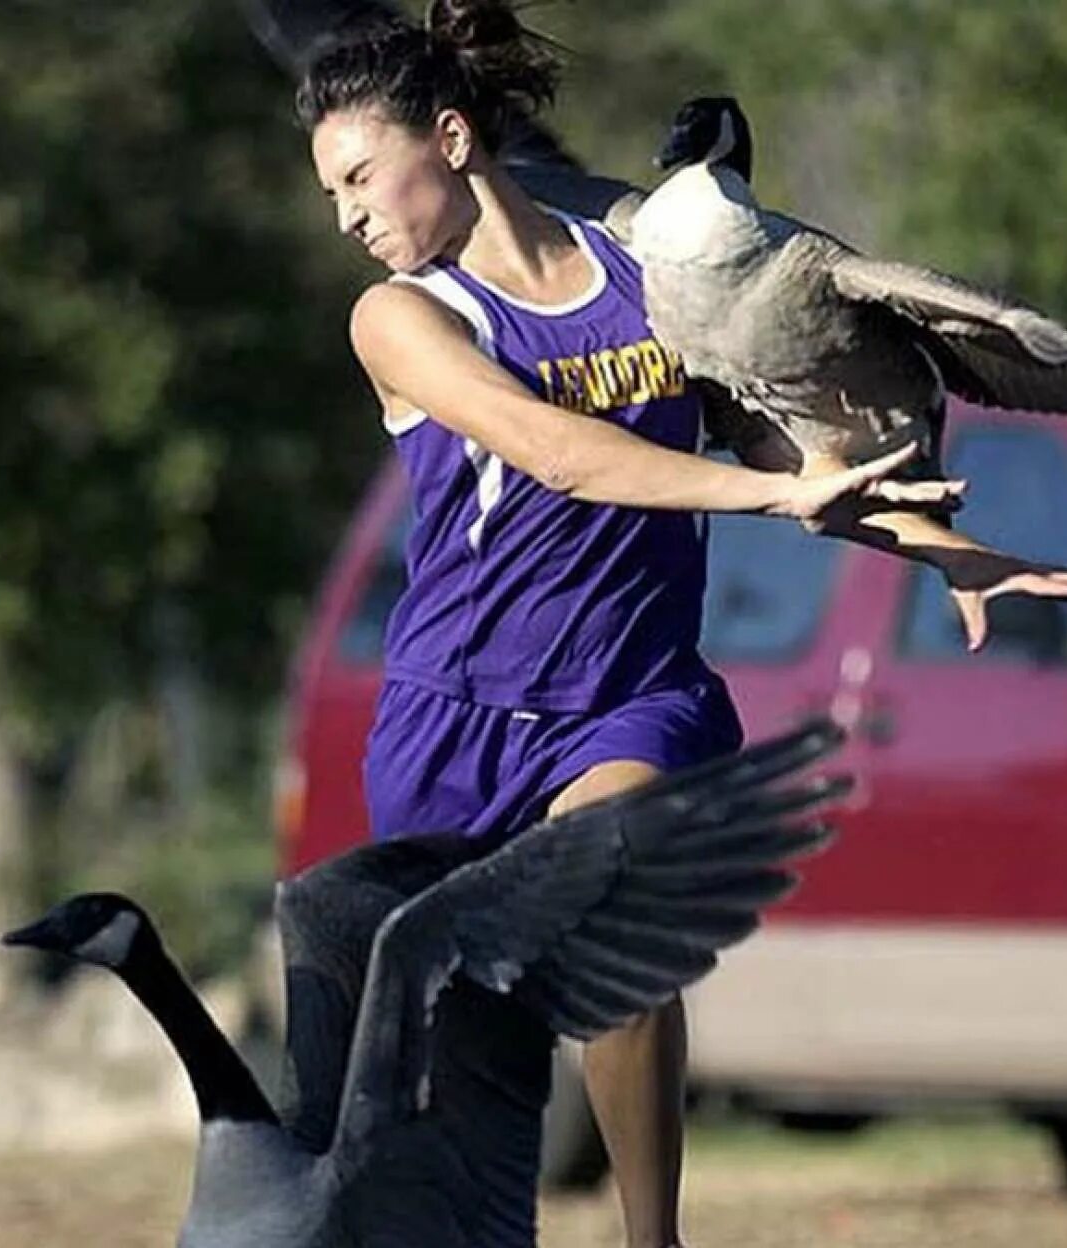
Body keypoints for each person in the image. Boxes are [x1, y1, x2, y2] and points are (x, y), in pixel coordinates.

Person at [293, 4, 965, 1245]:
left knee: (611, 885)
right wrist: (776, 493)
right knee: (451, 1103)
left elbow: (781, 444)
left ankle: (651, 1239)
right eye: (331, 191)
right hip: (455, 728)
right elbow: (560, 454)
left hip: (631, 696)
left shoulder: (643, 277)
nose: (348, 216)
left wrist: (952, 551)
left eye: (358, 178)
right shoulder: (400, 317)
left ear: (449, 138)